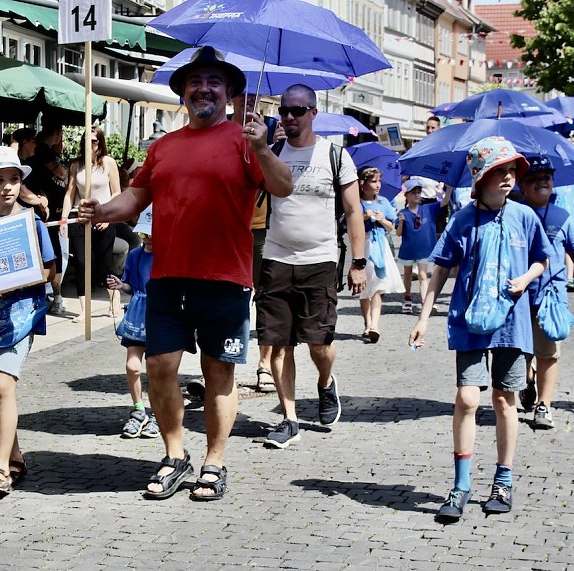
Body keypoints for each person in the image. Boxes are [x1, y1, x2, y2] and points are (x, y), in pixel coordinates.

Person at [77, 46, 292, 501]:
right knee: (159, 367)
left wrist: (261, 147)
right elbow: (135, 198)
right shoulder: (163, 147)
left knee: (219, 371)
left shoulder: (245, 141)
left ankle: (215, 461)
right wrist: (101, 210)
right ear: (183, 93)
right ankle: (175, 455)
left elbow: (283, 186)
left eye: (214, 82)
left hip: (225, 278)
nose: (204, 89)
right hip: (168, 276)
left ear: (229, 93)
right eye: (195, 82)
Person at [408, 137, 553, 523]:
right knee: (467, 399)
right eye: (499, 171)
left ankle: (503, 481)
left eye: (512, 171)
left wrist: (526, 278)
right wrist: (423, 317)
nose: (508, 178)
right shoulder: (462, 219)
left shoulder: (524, 216)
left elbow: (542, 259)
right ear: (480, 177)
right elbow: (441, 268)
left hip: (511, 323)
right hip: (469, 321)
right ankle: (461, 484)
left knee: (505, 400)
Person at [255, 84, 367, 449]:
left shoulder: (335, 156)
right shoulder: (271, 153)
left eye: (297, 110)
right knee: (278, 343)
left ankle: (325, 382)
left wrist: (358, 262)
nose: (289, 117)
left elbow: (353, 211)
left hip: (320, 260)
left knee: (319, 343)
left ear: (313, 113)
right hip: (276, 257)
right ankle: (289, 419)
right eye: (284, 110)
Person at [0, 146, 56, 494]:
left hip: (21, 316)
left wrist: (12, 283)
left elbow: (49, 271)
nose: (7, 186)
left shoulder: (32, 222)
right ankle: (14, 456)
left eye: (14, 179)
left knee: (4, 385)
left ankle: (0, 468)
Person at [516, 156, 574, 429]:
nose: (541, 182)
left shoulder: (561, 216)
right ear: (522, 185)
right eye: (533, 178)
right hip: (517, 296)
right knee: (519, 352)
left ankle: (543, 405)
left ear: (553, 182)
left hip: (551, 297)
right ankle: (528, 379)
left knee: (548, 353)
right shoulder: (513, 214)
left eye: (546, 177)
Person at [232, 91, 275, 393]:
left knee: (264, 297)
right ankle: (224, 363)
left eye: (252, 95)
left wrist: (270, 148)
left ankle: (264, 365)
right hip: (227, 228)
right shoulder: (220, 131)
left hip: (260, 228)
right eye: (241, 94)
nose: (247, 100)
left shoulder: (269, 132)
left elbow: (280, 181)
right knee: (228, 298)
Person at [105, 206, 160, 439]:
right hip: (137, 314)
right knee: (132, 366)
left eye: (152, 234)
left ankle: (158, 413)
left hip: (160, 315)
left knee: (158, 370)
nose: (147, 239)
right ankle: (139, 410)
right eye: (143, 234)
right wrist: (121, 285)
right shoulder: (136, 255)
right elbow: (131, 286)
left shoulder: (168, 256)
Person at [62, 127, 122, 322]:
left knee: (104, 264)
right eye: (86, 141)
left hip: (103, 216)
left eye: (94, 141)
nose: (90, 145)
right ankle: (84, 309)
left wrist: (108, 217)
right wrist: (64, 218)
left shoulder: (108, 163)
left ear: (100, 143)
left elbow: (117, 192)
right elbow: (70, 193)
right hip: (80, 217)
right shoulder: (76, 165)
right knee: (81, 262)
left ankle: (114, 298)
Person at [24, 121, 68, 315]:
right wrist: (40, 200)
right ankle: (49, 297)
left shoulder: (43, 154)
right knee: (50, 256)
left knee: (54, 255)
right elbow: (61, 173)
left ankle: (52, 297)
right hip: (42, 215)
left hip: (50, 214)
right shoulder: (43, 153)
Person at [357, 167, 404, 342]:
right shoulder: (357, 203)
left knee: (378, 286)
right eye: (373, 181)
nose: (377, 185)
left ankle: (374, 325)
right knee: (364, 287)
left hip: (380, 246)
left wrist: (382, 219)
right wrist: (364, 216)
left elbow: (391, 227)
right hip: (363, 244)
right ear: (363, 184)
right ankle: (367, 322)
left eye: (379, 181)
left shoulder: (383, 202)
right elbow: (349, 222)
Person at [396, 177, 453, 315]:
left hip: (424, 249)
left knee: (423, 275)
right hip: (408, 250)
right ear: (406, 195)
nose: (417, 195)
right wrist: (401, 222)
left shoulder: (429, 208)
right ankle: (407, 297)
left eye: (418, 192)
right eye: (413, 192)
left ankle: (425, 302)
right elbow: (398, 233)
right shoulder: (403, 213)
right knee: (408, 275)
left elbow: (445, 202)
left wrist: (450, 188)